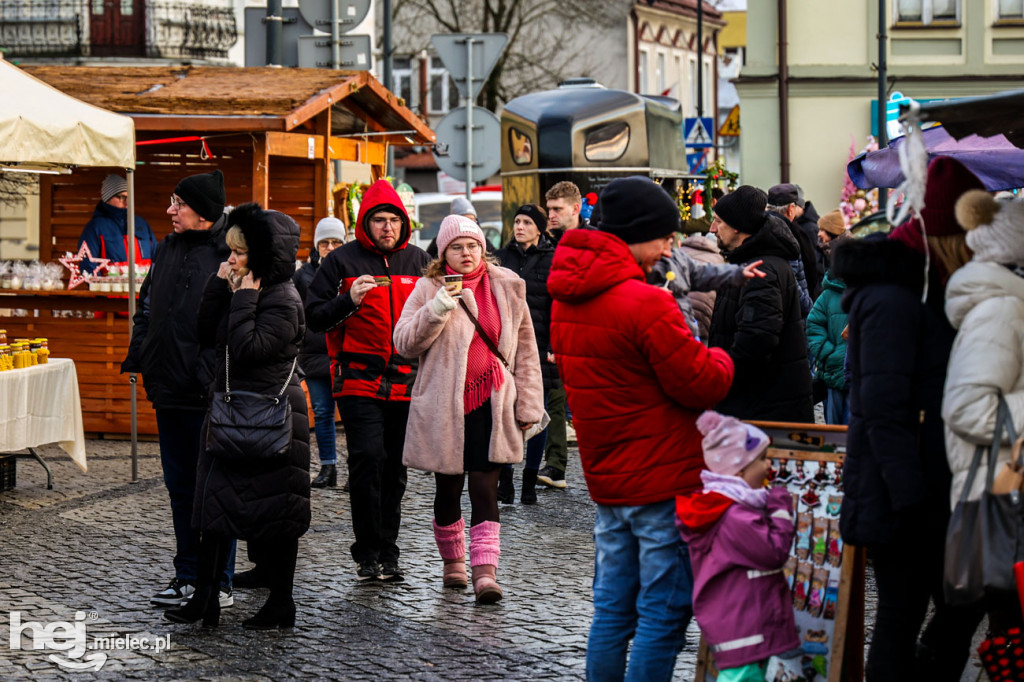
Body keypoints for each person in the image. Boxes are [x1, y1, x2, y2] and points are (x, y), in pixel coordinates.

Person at [548, 175, 735, 681]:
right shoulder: (646, 302)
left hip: (609, 480)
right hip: (664, 482)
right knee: (663, 616)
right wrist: (720, 354)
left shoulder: (568, 298)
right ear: (635, 235)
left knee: (612, 613)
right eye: (665, 236)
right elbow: (702, 383)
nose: (671, 247)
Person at [832, 156, 987, 681]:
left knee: (954, 613)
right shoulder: (893, 296)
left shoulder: (928, 286)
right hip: (905, 497)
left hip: (930, 489)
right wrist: (912, 500)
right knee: (902, 619)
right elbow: (883, 410)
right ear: (951, 233)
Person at [164, 203, 310, 629]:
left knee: (276, 515)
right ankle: (205, 598)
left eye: (239, 253)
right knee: (214, 509)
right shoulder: (241, 287)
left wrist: (243, 297)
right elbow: (205, 330)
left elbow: (248, 349)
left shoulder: (284, 298)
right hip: (232, 412)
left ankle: (282, 603)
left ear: (263, 255)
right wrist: (220, 285)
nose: (230, 259)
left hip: (271, 418)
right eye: (229, 252)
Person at [394, 215, 544, 603]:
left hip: (493, 404)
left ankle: (485, 574)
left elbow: (525, 350)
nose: (465, 253)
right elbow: (404, 343)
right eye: (456, 247)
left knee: (484, 487)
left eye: (472, 245)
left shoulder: (507, 285)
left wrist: (529, 402)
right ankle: (452, 564)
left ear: (483, 248)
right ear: (443, 253)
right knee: (448, 487)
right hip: (446, 405)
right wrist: (438, 308)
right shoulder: (429, 288)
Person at [305, 179, 430, 583]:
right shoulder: (340, 262)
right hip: (358, 381)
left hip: (406, 382)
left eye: (394, 220)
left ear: (404, 223)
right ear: (365, 223)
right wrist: (349, 300)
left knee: (394, 468)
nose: (388, 227)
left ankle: (389, 551)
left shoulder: (418, 261)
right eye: (380, 220)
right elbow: (315, 317)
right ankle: (366, 553)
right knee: (367, 461)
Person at [122, 169, 235, 609]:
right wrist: (142, 358)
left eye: (179, 203)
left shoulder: (228, 254)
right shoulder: (167, 248)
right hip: (168, 387)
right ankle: (187, 576)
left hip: (207, 393)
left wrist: (208, 369)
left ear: (203, 212)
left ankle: (219, 582)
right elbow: (147, 309)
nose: (170, 210)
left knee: (215, 487)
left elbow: (235, 320)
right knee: (180, 487)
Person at [942, 189, 1024, 638]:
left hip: (1005, 489)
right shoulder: (1002, 310)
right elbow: (967, 409)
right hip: (1000, 495)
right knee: (1004, 627)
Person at [676, 411, 799, 680]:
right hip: (745, 627)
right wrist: (780, 511)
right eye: (763, 460)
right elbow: (773, 552)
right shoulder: (734, 516)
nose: (769, 467)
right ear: (740, 469)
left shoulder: (729, 507)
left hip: (741, 622)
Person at [708, 185, 814, 423]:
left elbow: (756, 341)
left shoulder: (761, 270)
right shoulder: (753, 263)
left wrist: (718, 378)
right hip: (760, 406)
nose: (712, 229)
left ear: (737, 226)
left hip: (762, 412)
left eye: (718, 221)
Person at [494, 204, 558, 504]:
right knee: (505, 412)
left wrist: (553, 347)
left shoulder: (553, 258)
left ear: (539, 228)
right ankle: (505, 476)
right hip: (505, 346)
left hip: (540, 348)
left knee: (536, 413)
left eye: (527, 222)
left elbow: (557, 306)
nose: (520, 227)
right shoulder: (500, 257)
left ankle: (529, 481)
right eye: (517, 221)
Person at [537, 180, 590, 490]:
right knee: (555, 401)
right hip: (556, 333)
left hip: (588, 335)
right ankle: (556, 465)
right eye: (549, 209)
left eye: (557, 209)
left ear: (575, 208)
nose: (552, 215)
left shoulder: (592, 240)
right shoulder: (547, 244)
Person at [294, 217, 346, 490]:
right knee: (324, 412)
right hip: (315, 353)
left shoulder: (351, 269)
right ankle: (328, 467)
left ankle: (356, 470)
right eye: (324, 242)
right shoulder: (303, 275)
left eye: (336, 242)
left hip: (346, 353)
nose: (330, 247)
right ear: (317, 245)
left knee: (351, 414)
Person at [648, 240, 765, 342]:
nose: (668, 249)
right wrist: (649, 294)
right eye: (664, 239)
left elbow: (701, 273)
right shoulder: (645, 262)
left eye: (670, 239)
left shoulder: (678, 257)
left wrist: (737, 273)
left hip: (686, 333)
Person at [806, 209, 851, 425]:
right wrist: (829, 353)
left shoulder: (864, 293)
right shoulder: (828, 296)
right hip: (833, 373)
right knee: (834, 428)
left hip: (854, 375)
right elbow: (814, 326)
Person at [77, 174, 158, 273]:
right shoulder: (95, 227)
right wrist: (100, 287)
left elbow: (157, 259)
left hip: (144, 287)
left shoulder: (142, 224)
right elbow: (88, 265)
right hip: (110, 288)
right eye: (121, 197)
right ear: (107, 198)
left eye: (129, 198)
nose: (127, 203)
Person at [768, 182, 822, 301]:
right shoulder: (792, 232)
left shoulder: (759, 227)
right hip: (792, 305)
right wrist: (808, 305)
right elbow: (799, 276)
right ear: (791, 209)